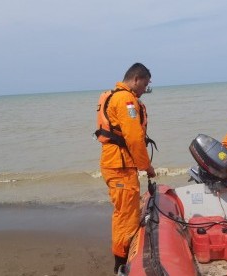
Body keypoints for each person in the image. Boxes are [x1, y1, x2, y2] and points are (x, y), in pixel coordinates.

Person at [94, 62, 156, 274]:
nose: (144, 90)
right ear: (136, 79)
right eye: (144, 84)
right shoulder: (126, 100)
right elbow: (134, 138)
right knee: (126, 216)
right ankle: (122, 263)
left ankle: (121, 259)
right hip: (119, 165)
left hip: (118, 163)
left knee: (123, 212)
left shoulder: (117, 96)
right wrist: (147, 166)